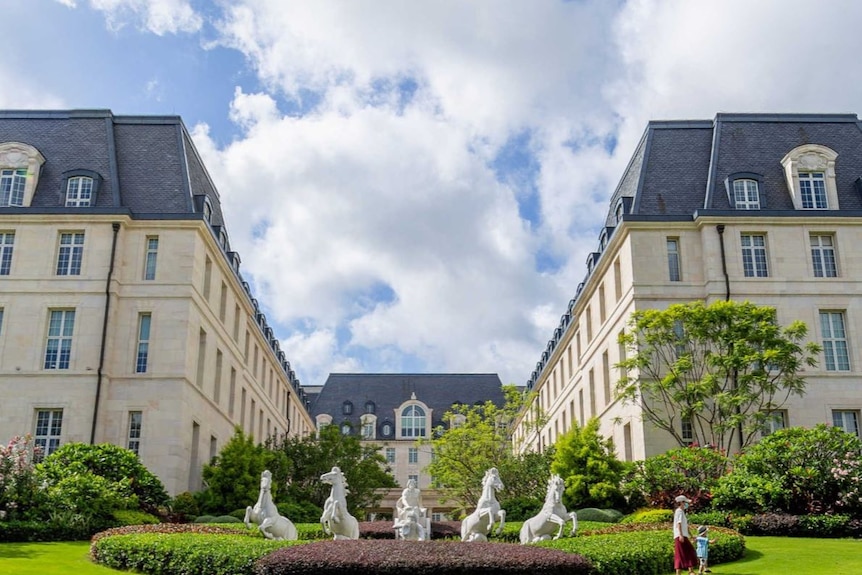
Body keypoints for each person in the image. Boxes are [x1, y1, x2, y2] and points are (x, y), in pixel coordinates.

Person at [673, 495, 698, 575]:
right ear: (681, 503)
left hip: (684, 535)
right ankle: (687, 572)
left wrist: (691, 535)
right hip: (680, 536)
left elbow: (685, 526)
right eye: (685, 502)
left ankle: (691, 571)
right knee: (681, 554)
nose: (687, 504)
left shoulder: (682, 512)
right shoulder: (679, 511)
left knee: (689, 552)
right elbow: (679, 523)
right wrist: (680, 535)